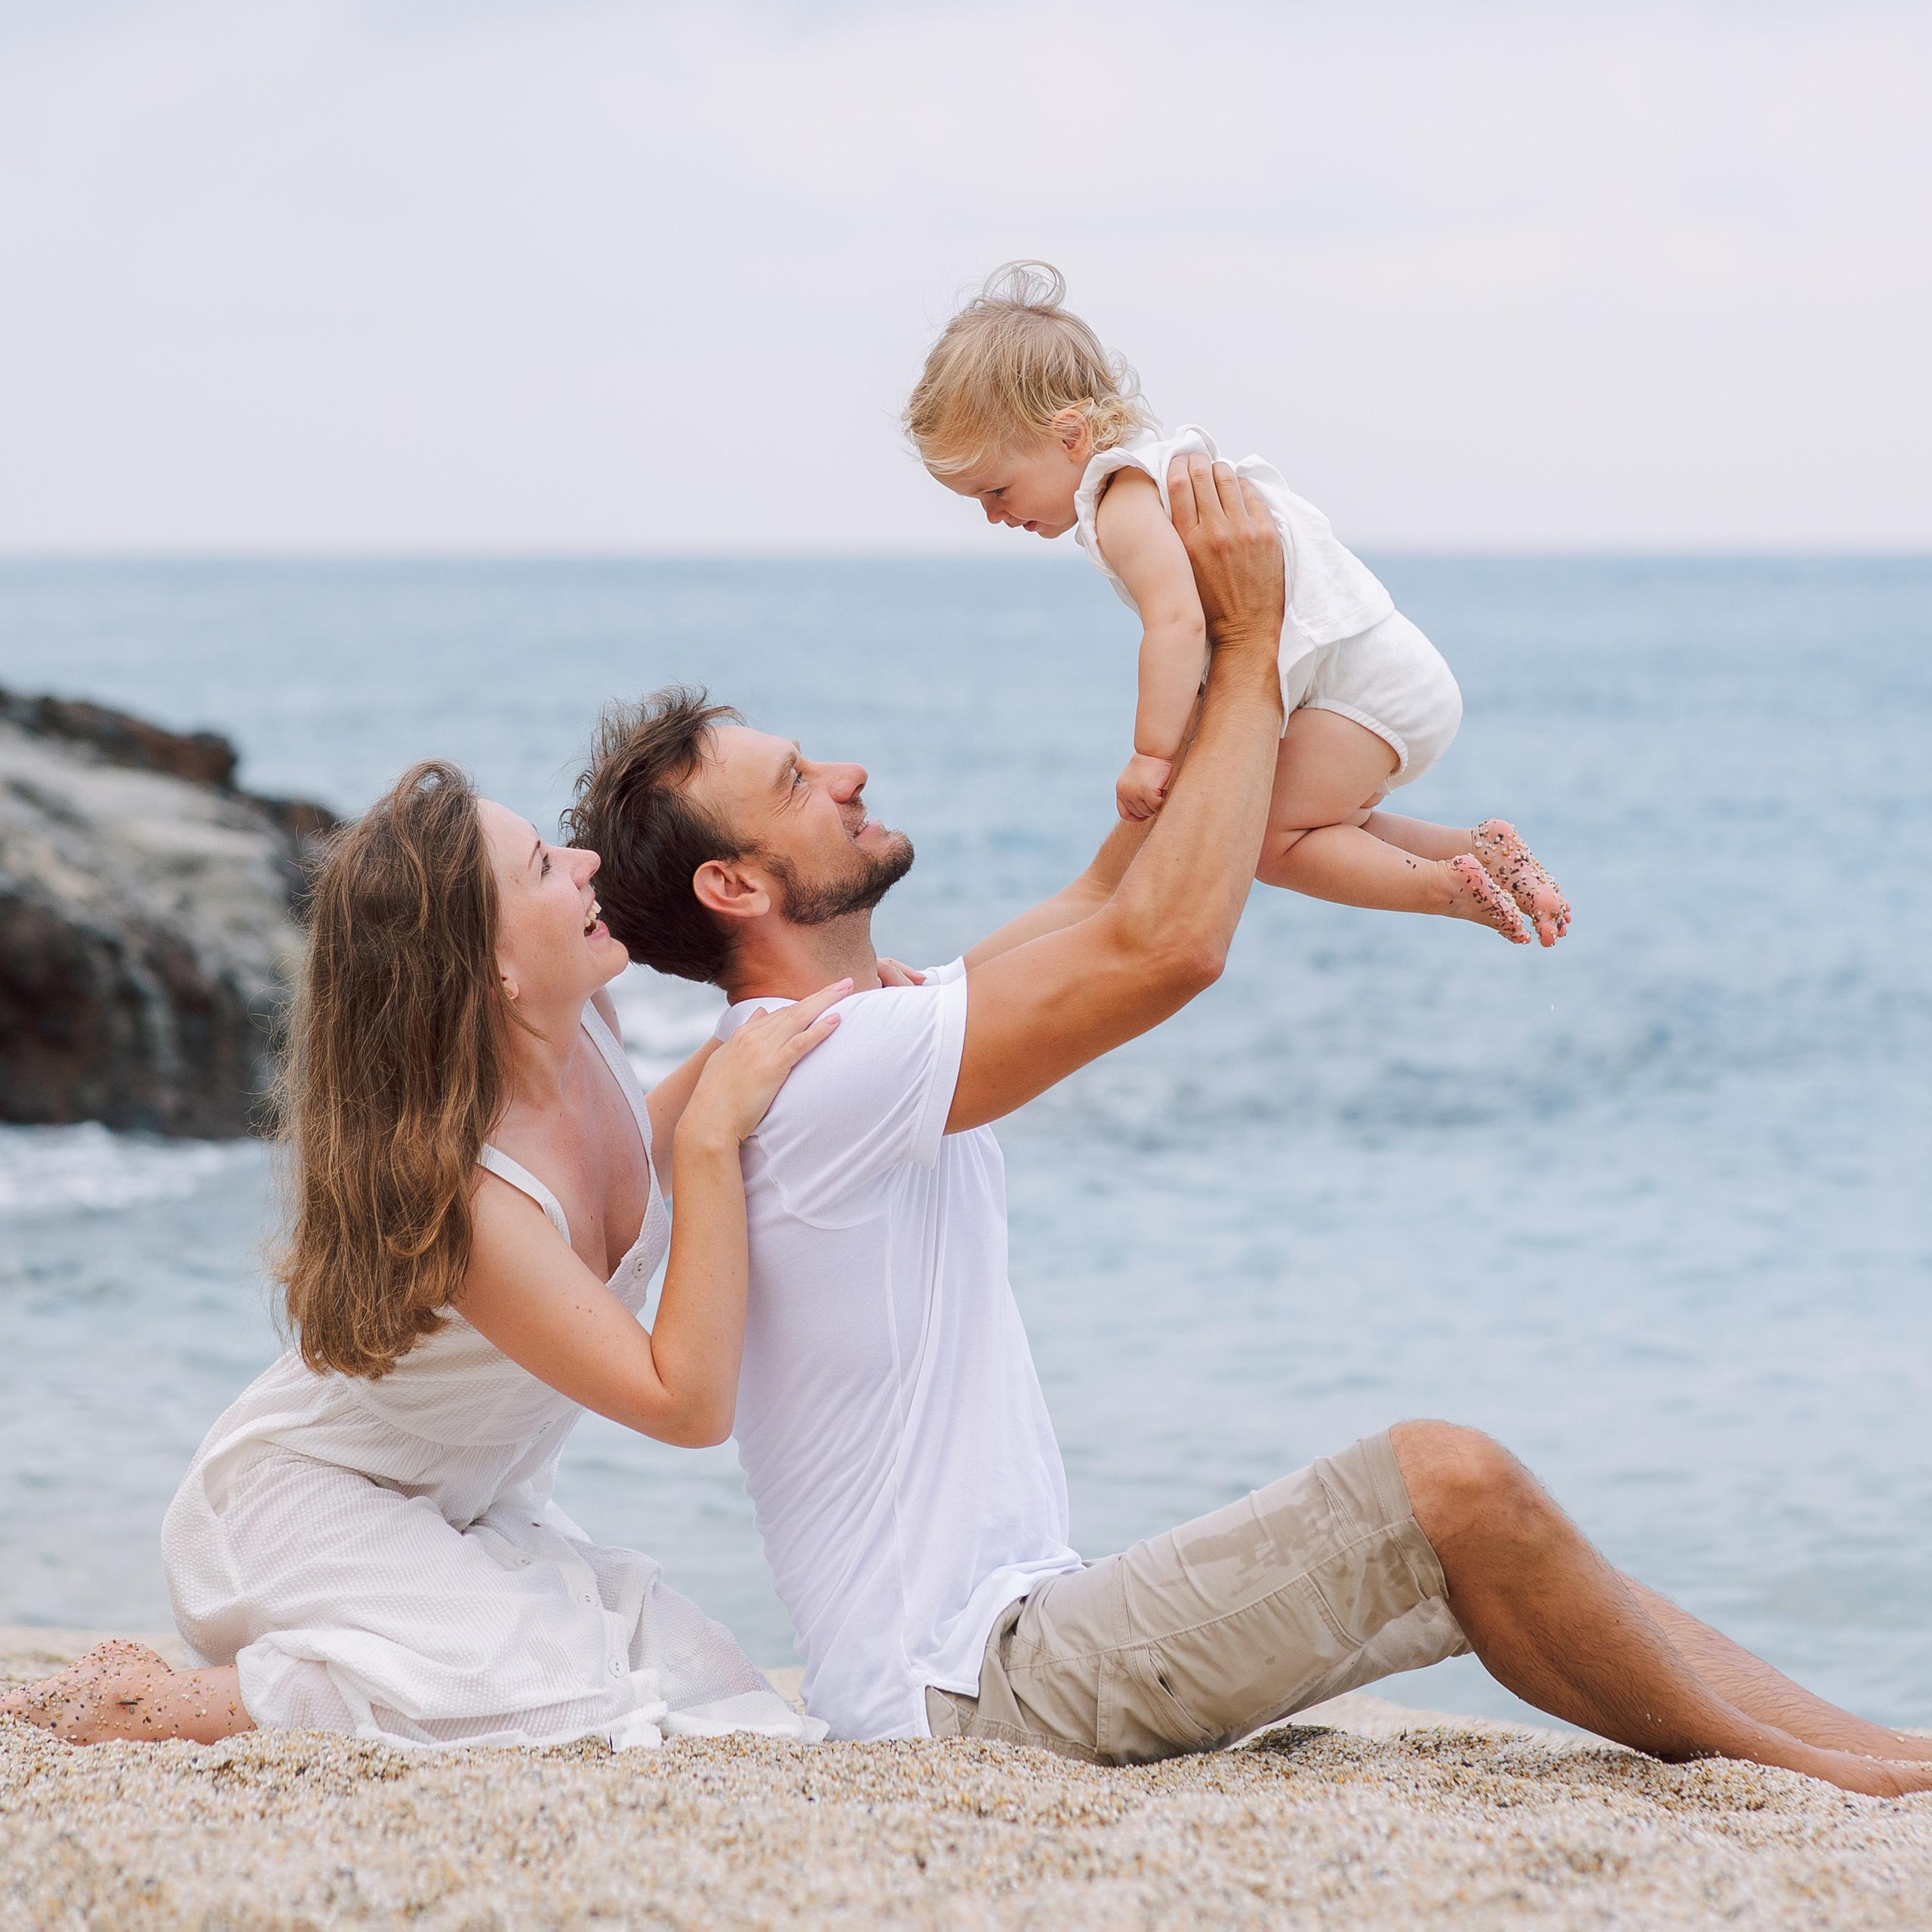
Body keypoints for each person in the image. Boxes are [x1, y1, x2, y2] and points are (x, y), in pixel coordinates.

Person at [565, 456, 1932, 1796]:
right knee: (1450, 1480)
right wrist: (1252, 639)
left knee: (1517, 1540)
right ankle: (1828, 1781)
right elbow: (1168, 947)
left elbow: (1114, 898)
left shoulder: (844, 1035)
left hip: (1015, 1641)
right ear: (735, 885)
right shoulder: (824, 1066)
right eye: (799, 783)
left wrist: (1247, 685)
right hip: (971, 1692)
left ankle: (1892, 1757)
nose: (850, 772)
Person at [1, 761, 844, 1749]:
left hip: (466, 1509)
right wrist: (712, 1140)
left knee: (704, 1680)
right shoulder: (476, 1205)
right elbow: (686, 1406)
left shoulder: (586, 1028)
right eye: (543, 867)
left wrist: (826, 1012)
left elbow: (632, 1157)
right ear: (494, 971)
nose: (584, 863)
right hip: (305, 1508)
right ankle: (147, 1700)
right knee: (563, 1705)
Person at [904, 261, 1569, 948]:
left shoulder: (1119, 504)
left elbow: (1177, 622)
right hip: (1388, 671)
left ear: (1071, 436)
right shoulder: (1158, 466)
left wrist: (1151, 754)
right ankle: (1482, 851)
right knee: (1320, 828)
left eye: (997, 490)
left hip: (1364, 692)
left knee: (1266, 840)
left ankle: (1443, 891)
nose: (992, 515)